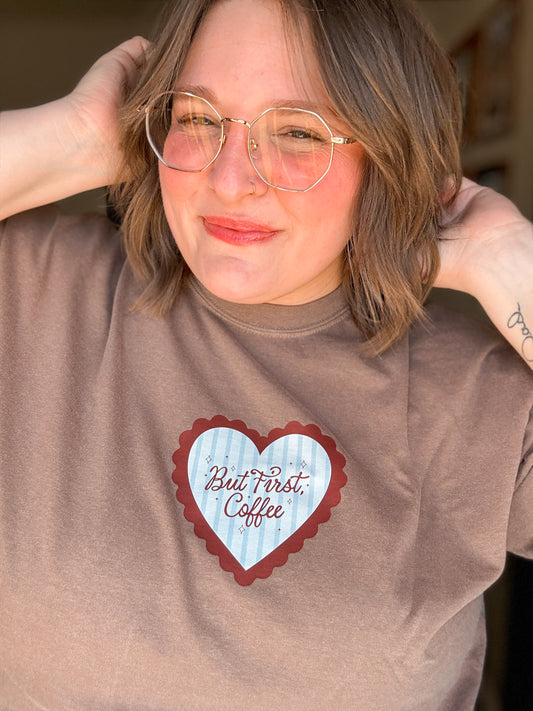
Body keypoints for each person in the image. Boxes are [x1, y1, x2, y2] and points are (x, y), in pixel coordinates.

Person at [0, 0, 532, 708]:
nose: (230, 179)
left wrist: (513, 263)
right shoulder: (35, 287)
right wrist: (70, 137)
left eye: (298, 131)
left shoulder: (477, 396)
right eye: (196, 118)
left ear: (388, 154)